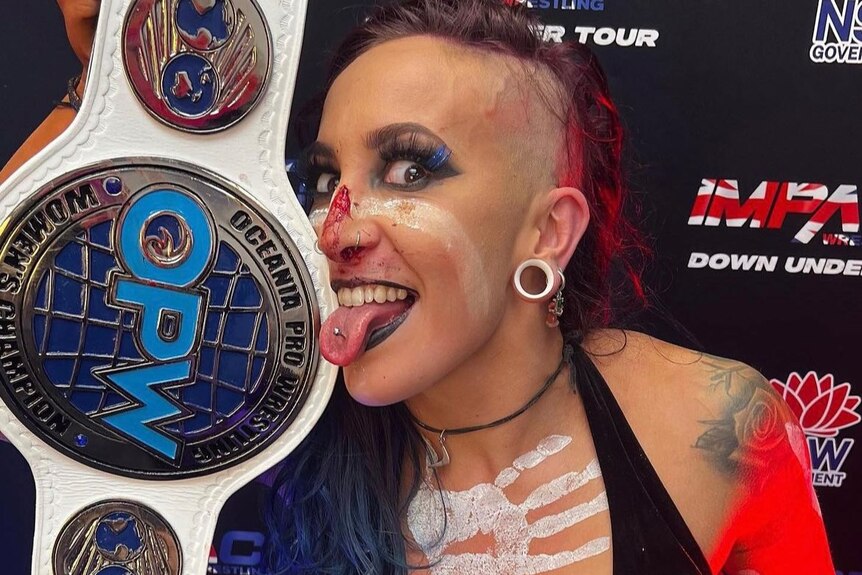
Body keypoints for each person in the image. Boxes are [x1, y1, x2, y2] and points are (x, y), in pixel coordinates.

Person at [2, 1, 834, 574]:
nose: (338, 223)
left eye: (410, 168)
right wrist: (109, 95)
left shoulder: (716, 426)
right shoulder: (247, 412)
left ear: (547, 233)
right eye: (325, 176)